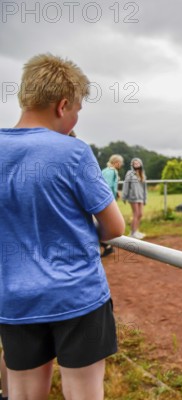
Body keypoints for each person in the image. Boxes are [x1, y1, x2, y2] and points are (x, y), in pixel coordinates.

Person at [0, 53, 125, 400]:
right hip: (78, 296)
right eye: (78, 111)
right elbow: (115, 226)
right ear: (63, 105)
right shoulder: (74, 152)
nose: (75, 119)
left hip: (14, 299)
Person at [100, 154, 124, 257]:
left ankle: (107, 246)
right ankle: (107, 246)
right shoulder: (112, 171)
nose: (121, 165)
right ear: (116, 163)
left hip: (100, 200)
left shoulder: (105, 170)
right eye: (120, 163)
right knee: (108, 225)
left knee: (102, 225)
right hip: (106, 202)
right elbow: (108, 186)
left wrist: (117, 192)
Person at [122, 157, 147, 239]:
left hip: (140, 197)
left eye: (138, 163)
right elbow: (126, 185)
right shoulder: (129, 173)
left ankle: (136, 231)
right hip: (133, 197)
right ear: (132, 165)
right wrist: (124, 196)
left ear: (140, 164)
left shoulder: (142, 174)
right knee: (136, 214)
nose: (136, 164)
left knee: (140, 214)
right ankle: (132, 233)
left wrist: (145, 199)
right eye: (134, 163)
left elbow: (145, 188)